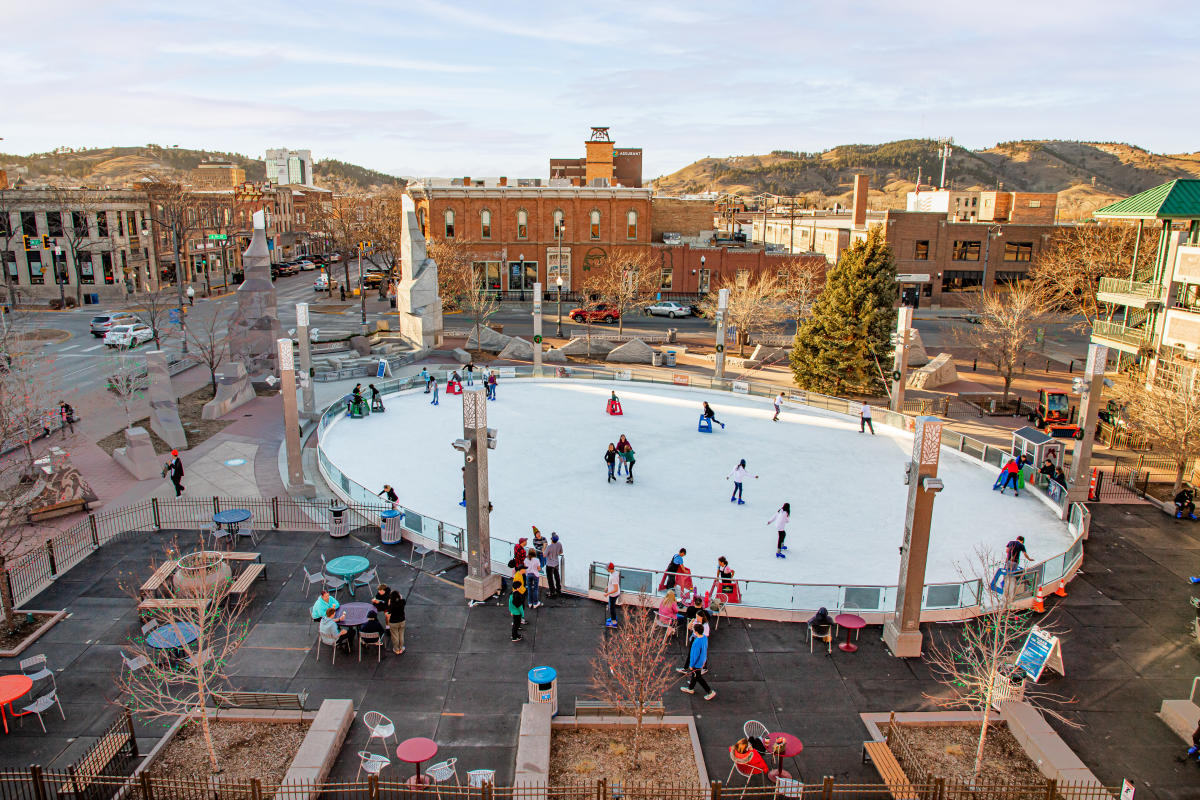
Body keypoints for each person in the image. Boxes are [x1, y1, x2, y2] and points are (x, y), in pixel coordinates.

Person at [681, 622, 716, 700]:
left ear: (696, 632)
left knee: (698, 677)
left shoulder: (696, 642)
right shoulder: (704, 637)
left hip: (696, 664)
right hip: (702, 661)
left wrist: (691, 665)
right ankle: (690, 688)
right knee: (695, 675)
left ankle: (710, 691)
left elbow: (694, 655)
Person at [385, 588, 406, 654]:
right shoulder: (403, 602)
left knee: (395, 636)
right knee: (401, 635)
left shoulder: (391, 605)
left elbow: (388, 614)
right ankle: (401, 648)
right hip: (402, 621)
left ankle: (396, 649)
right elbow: (401, 599)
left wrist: (389, 603)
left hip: (393, 622)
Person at [509, 570, 526, 642]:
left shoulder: (511, 594)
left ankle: (515, 635)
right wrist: (522, 614)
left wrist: (511, 611)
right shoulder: (518, 596)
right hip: (517, 613)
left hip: (514, 611)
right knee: (516, 624)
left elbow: (510, 604)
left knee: (515, 624)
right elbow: (519, 606)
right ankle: (514, 636)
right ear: (518, 588)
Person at [544, 533, 564, 597]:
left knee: (550, 579)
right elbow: (561, 552)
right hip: (556, 563)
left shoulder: (549, 547)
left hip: (549, 565)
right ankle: (558, 589)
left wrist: (544, 547)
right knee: (557, 576)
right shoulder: (559, 544)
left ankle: (552, 592)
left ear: (551, 539)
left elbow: (544, 555)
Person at [604, 562, 621, 627]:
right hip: (614, 594)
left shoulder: (613, 577)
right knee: (612, 607)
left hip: (613, 595)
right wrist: (607, 587)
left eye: (607, 569)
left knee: (611, 608)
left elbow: (616, 589)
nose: (606, 570)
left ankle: (614, 623)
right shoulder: (614, 572)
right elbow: (611, 584)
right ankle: (613, 618)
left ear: (610, 569)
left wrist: (608, 593)